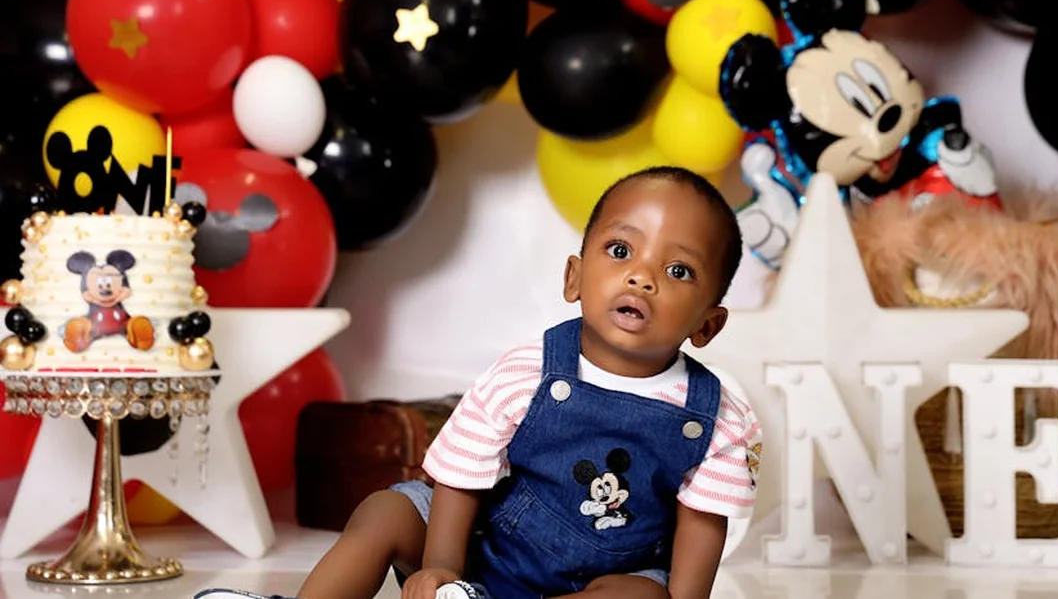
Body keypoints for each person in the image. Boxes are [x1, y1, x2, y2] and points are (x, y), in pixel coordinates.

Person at [197, 166, 762, 599]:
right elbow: (461, 473)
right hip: (483, 547)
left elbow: (702, 523)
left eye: (678, 270)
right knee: (384, 512)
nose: (642, 276)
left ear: (707, 325)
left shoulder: (716, 419)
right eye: (620, 251)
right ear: (574, 277)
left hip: (606, 576)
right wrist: (442, 568)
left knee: (642, 597)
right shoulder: (526, 373)